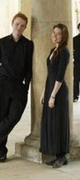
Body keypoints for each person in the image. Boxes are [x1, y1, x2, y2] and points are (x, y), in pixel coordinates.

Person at [0, 12, 33, 162]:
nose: (19, 27)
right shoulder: (2, 42)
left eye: (22, 26)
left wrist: (26, 87)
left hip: (18, 87)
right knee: (0, 118)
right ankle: (1, 152)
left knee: (14, 116)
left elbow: (29, 68)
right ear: (12, 24)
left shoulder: (28, 45)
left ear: (25, 28)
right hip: (2, 86)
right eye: (17, 24)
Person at [40, 24, 70, 168]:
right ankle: (56, 154)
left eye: (58, 33)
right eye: (54, 33)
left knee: (58, 123)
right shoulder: (53, 50)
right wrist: (44, 93)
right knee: (51, 123)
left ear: (63, 36)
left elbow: (59, 75)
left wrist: (52, 96)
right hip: (50, 90)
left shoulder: (64, 52)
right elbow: (49, 74)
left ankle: (62, 156)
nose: (55, 35)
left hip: (59, 91)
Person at [73, 23, 80, 102]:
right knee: (76, 79)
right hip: (77, 62)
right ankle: (75, 95)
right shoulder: (74, 39)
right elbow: (72, 50)